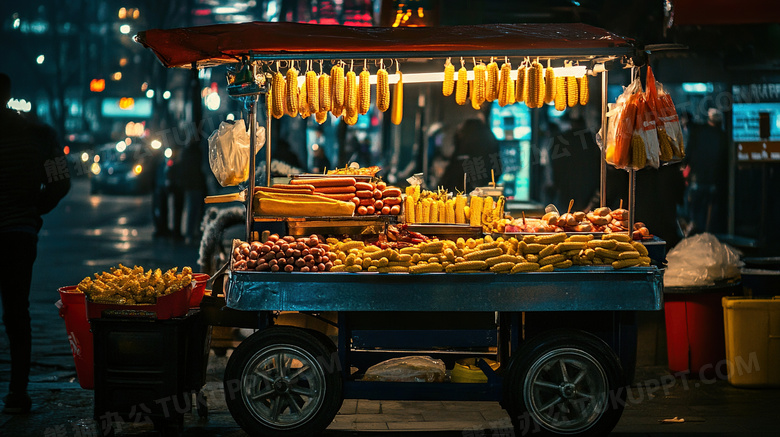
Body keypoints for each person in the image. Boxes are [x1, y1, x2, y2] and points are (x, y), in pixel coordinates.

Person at [0, 73, 71, 414]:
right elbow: (61, 181)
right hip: (19, 235)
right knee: (17, 313)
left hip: (18, 230)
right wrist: (34, 210)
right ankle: (17, 392)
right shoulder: (39, 136)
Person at [685, 108, 728, 234]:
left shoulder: (698, 132)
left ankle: (693, 232)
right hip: (713, 181)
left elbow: (689, 153)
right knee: (709, 215)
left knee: (694, 211)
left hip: (697, 179)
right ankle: (705, 234)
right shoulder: (722, 136)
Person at [439, 118, 501, 193]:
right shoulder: (489, 136)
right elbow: (498, 166)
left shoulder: (465, 147)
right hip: (487, 186)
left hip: (466, 189)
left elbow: (453, 175)